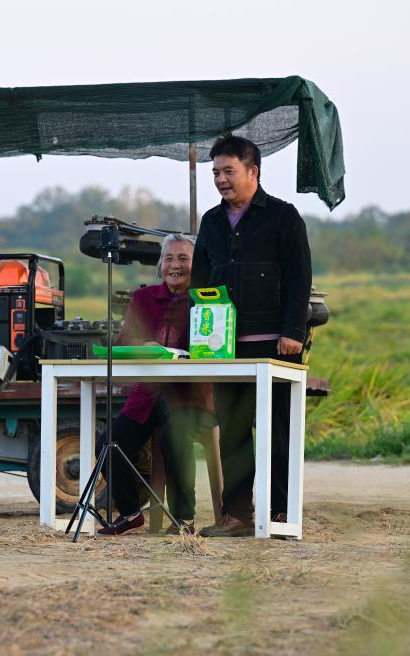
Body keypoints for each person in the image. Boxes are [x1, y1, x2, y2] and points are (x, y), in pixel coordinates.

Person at [191, 134, 312, 538]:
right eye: (215, 173)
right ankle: (238, 516)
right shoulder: (210, 222)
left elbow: (299, 278)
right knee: (233, 433)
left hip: (275, 345)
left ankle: (280, 514)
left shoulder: (283, 217)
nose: (220, 180)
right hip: (224, 348)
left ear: (253, 171)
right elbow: (200, 283)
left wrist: (292, 332)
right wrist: (201, 340)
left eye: (228, 171)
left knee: (278, 432)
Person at [97, 233, 217, 536]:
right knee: (109, 443)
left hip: (193, 397)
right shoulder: (143, 298)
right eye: (168, 258)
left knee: (175, 435)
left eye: (183, 258)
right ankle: (130, 513)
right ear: (160, 265)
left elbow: (216, 347)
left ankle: (183, 520)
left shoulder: (206, 299)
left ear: (196, 264)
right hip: (147, 397)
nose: (175, 265)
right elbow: (123, 343)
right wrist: (143, 345)